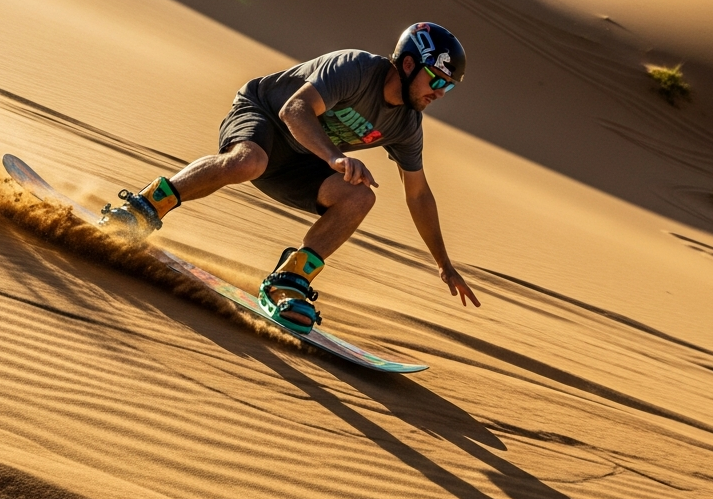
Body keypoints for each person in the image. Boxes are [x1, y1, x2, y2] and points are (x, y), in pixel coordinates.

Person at [100, 22, 480, 333]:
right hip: (264, 115)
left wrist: (444, 263)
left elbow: (418, 194)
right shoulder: (355, 69)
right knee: (248, 162)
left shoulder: (407, 125)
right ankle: (143, 208)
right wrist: (334, 156)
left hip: (299, 159)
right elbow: (294, 109)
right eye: (437, 80)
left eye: (449, 87)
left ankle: (288, 282)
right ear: (409, 64)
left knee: (361, 197)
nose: (441, 93)